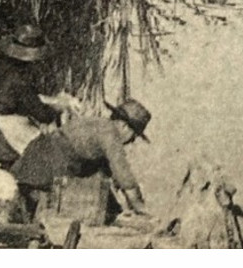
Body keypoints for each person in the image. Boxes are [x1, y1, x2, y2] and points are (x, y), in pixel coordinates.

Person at [12, 97, 153, 227]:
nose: (132, 140)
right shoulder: (110, 134)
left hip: (36, 158)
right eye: (134, 135)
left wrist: (117, 209)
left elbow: (107, 175)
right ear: (124, 126)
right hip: (46, 167)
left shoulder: (98, 126)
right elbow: (124, 177)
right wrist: (142, 209)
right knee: (52, 215)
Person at [0, 24, 62, 168]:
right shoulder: (20, 78)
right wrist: (57, 109)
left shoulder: (2, 68)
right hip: (8, 131)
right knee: (50, 155)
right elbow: (41, 114)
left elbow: (17, 98)